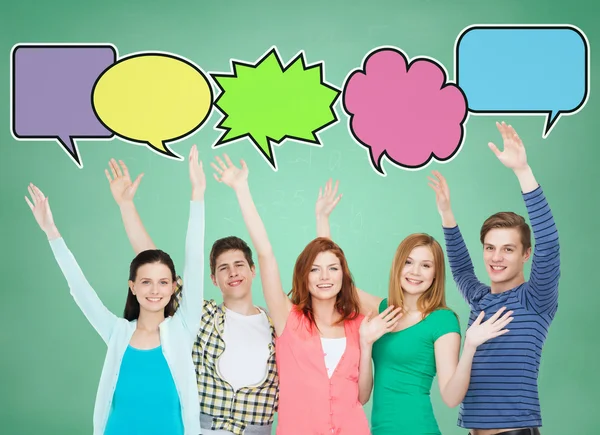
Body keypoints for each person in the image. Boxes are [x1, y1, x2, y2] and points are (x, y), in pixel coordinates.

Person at [210, 153, 402, 435]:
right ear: (304, 276)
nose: (324, 277)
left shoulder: (359, 325)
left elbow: (362, 397)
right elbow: (265, 254)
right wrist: (242, 189)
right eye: (315, 270)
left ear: (343, 274)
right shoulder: (288, 319)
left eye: (333, 269)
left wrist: (367, 344)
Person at [24, 144, 206, 435]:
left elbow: (195, 260)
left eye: (163, 282)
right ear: (132, 287)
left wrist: (198, 195)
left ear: (174, 287)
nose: (155, 290)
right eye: (146, 282)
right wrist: (51, 232)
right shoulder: (117, 332)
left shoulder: (183, 328)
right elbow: (80, 289)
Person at [316, 179, 513, 435]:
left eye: (426, 265)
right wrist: (322, 220)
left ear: (435, 274)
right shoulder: (383, 311)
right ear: (398, 266)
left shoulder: (442, 321)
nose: (415, 272)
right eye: (409, 262)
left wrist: (471, 347)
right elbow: (337, 279)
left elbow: (451, 397)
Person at [104, 157, 278, 435]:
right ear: (213, 279)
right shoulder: (200, 314)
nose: (233, 273)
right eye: (223, 268)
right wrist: (126, 205)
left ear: (252, 270)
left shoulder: (276, 325)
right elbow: (154, 265)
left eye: (239, 265)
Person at [429, 122, 560, 435]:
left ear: (525, 254)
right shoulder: (480, 298)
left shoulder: (535, 299)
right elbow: (461, 269)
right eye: (490, 248)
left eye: (508, 249)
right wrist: (447, 214)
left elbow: (550, 242)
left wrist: (523, 171)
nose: (496, 257)